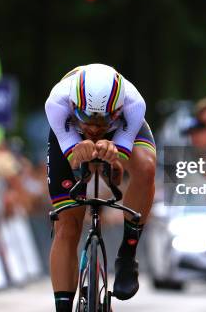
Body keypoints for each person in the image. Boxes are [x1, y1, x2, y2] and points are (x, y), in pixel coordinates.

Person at [44, 64, 156, 311]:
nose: (94, 128)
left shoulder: (134, 104)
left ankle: (127, 253)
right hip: (71, 134)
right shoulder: (57, 103)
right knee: (67, 225)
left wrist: (115, 157)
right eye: (87, 118)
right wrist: (77, 149)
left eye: (103, 120)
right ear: (74, 106)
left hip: (120, 133)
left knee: (146, 168)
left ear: (117, 110)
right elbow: (75, 163)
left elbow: (119, 169)